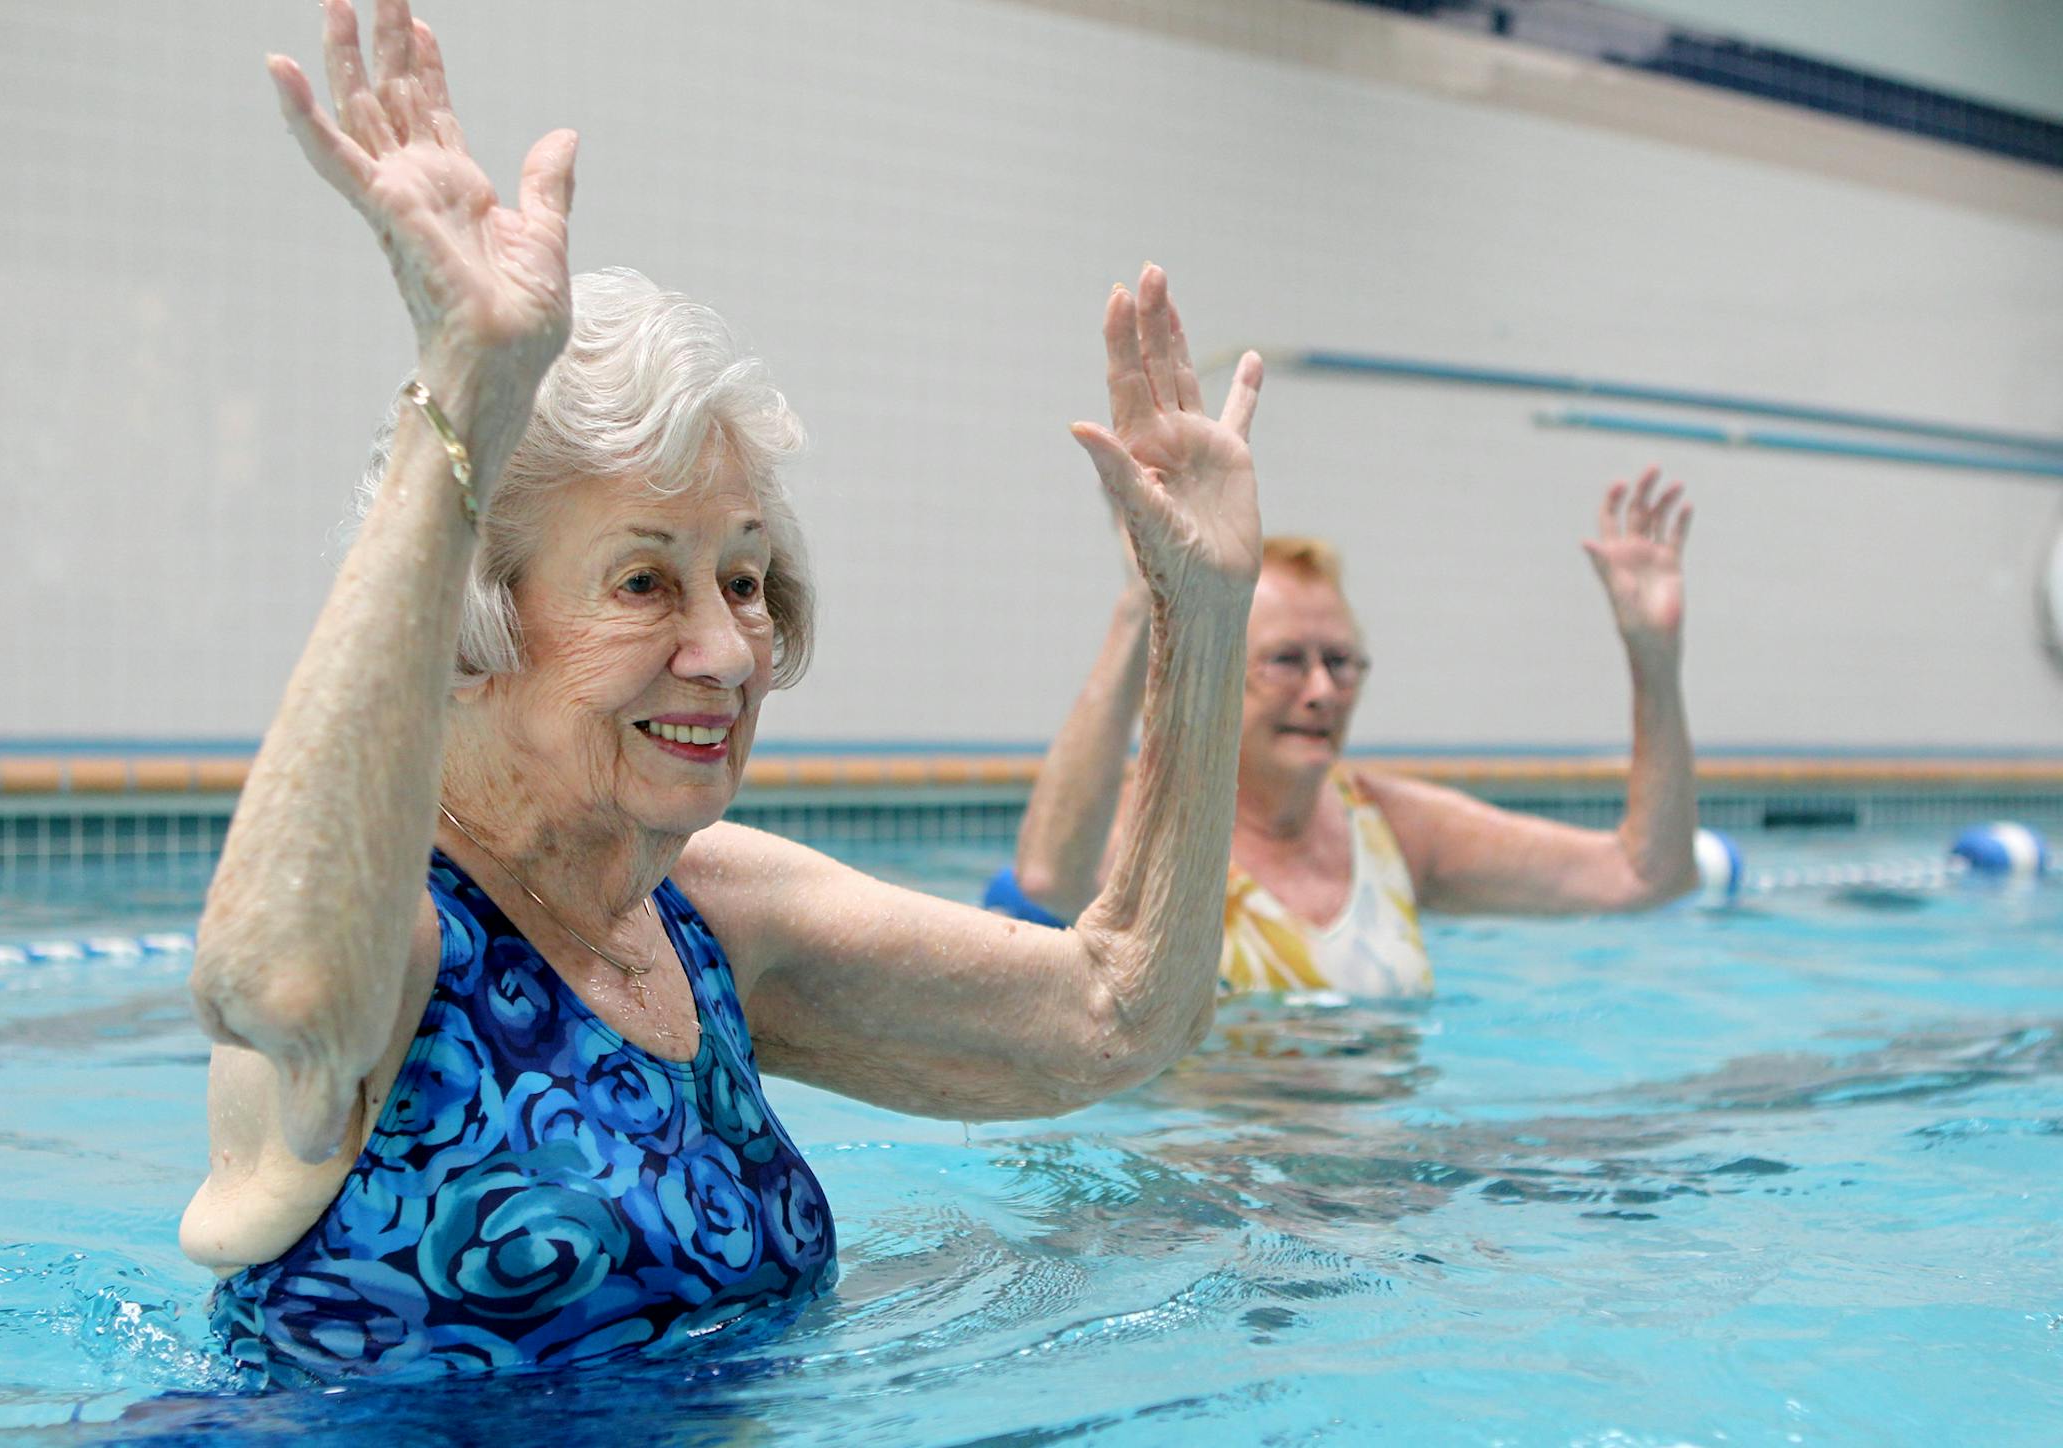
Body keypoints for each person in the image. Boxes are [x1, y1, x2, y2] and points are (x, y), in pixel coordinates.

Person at [182, 0, 1264, 1384]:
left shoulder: (706, 919)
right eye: (645, 585)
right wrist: (463, 394)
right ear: (479, 618)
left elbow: (1119, 1015)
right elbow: (263, 979)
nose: (731, 649)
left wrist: (1204, 615)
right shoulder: (391, 946)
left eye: (745, 580)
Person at [1003, 435, 1699, 996]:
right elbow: (1048, 876)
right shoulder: (1154, 833)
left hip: (1388, 1169)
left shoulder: (1395, 829)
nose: (1321, 690)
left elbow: (1644, 876)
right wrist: (1144, 599)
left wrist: (1654, 660)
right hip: (1215, 1164)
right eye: (1286, 660)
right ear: (1214, 674)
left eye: (1340, 662)